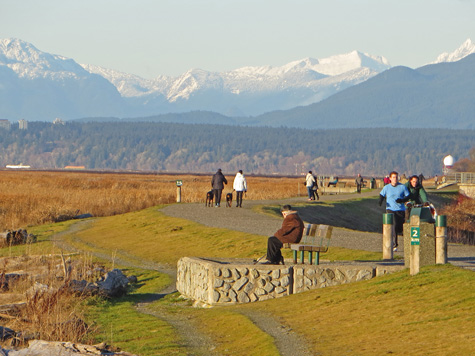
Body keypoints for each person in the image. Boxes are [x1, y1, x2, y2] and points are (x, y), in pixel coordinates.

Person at [378, 171, 410, 251]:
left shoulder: (402, 187)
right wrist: (380, 201)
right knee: (394, 225)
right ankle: (394, 244)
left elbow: (408, 196)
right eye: (393, 177)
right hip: (390, 209)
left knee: (399, 227)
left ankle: (405, 243)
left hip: (401, 209)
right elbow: (382, 195)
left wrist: (402, 200)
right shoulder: (387, 187)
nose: (395, 179)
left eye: (396, 177)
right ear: (390, 179)